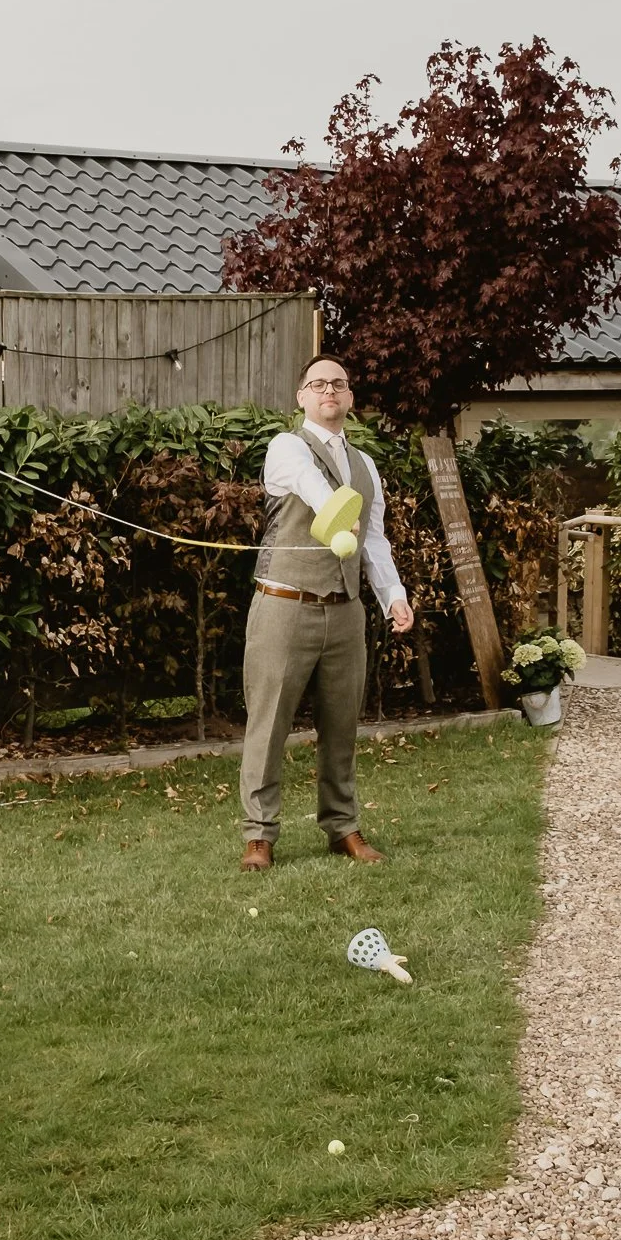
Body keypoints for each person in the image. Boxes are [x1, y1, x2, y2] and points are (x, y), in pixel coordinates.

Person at [238, 353, 414, 872]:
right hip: (284, 605)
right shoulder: (286, 447)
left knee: (341, 727)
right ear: (302, 396)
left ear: (350, 397)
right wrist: (337, 518)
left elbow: (375, 539)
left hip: (345, 612)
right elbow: (316, 491)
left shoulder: (367, 466)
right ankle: (259, 835)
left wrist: (392, 595)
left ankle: (342, 828)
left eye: (338, 384)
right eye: (318, 384)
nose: (328, 392)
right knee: (267, 725)